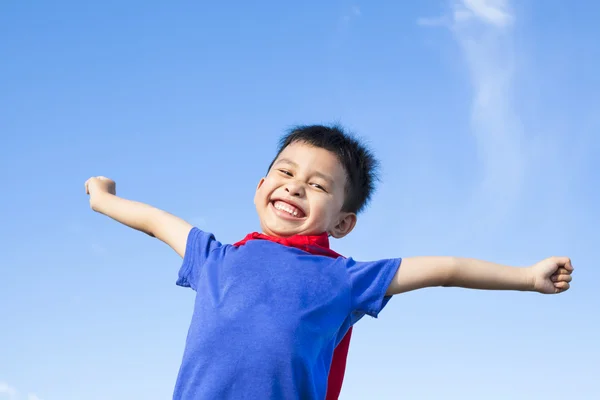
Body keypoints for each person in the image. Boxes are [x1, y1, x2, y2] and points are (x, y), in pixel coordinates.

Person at [85, 124, 573, 400]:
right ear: (261, 188)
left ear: (342, 223)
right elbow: (155, 220)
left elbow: (444, 269)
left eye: (318, 185)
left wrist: (527, 277)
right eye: (286, 172)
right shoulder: (215, 258)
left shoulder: (346, 278)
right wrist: (103, 198)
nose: (296, 186)